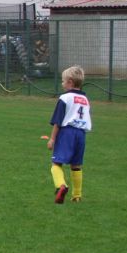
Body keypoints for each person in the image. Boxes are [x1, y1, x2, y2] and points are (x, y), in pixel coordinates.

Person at [48, 65, 92, 204]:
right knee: (76, 165)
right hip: (81, 134)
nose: (62, 83)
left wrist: (52, 139)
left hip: (67, 133)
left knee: (56, 163)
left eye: (63, 81)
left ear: (70, 82)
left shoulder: (65, 98)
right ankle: (77, 195)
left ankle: (61, 186)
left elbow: (58, 121)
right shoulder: (85, 100)